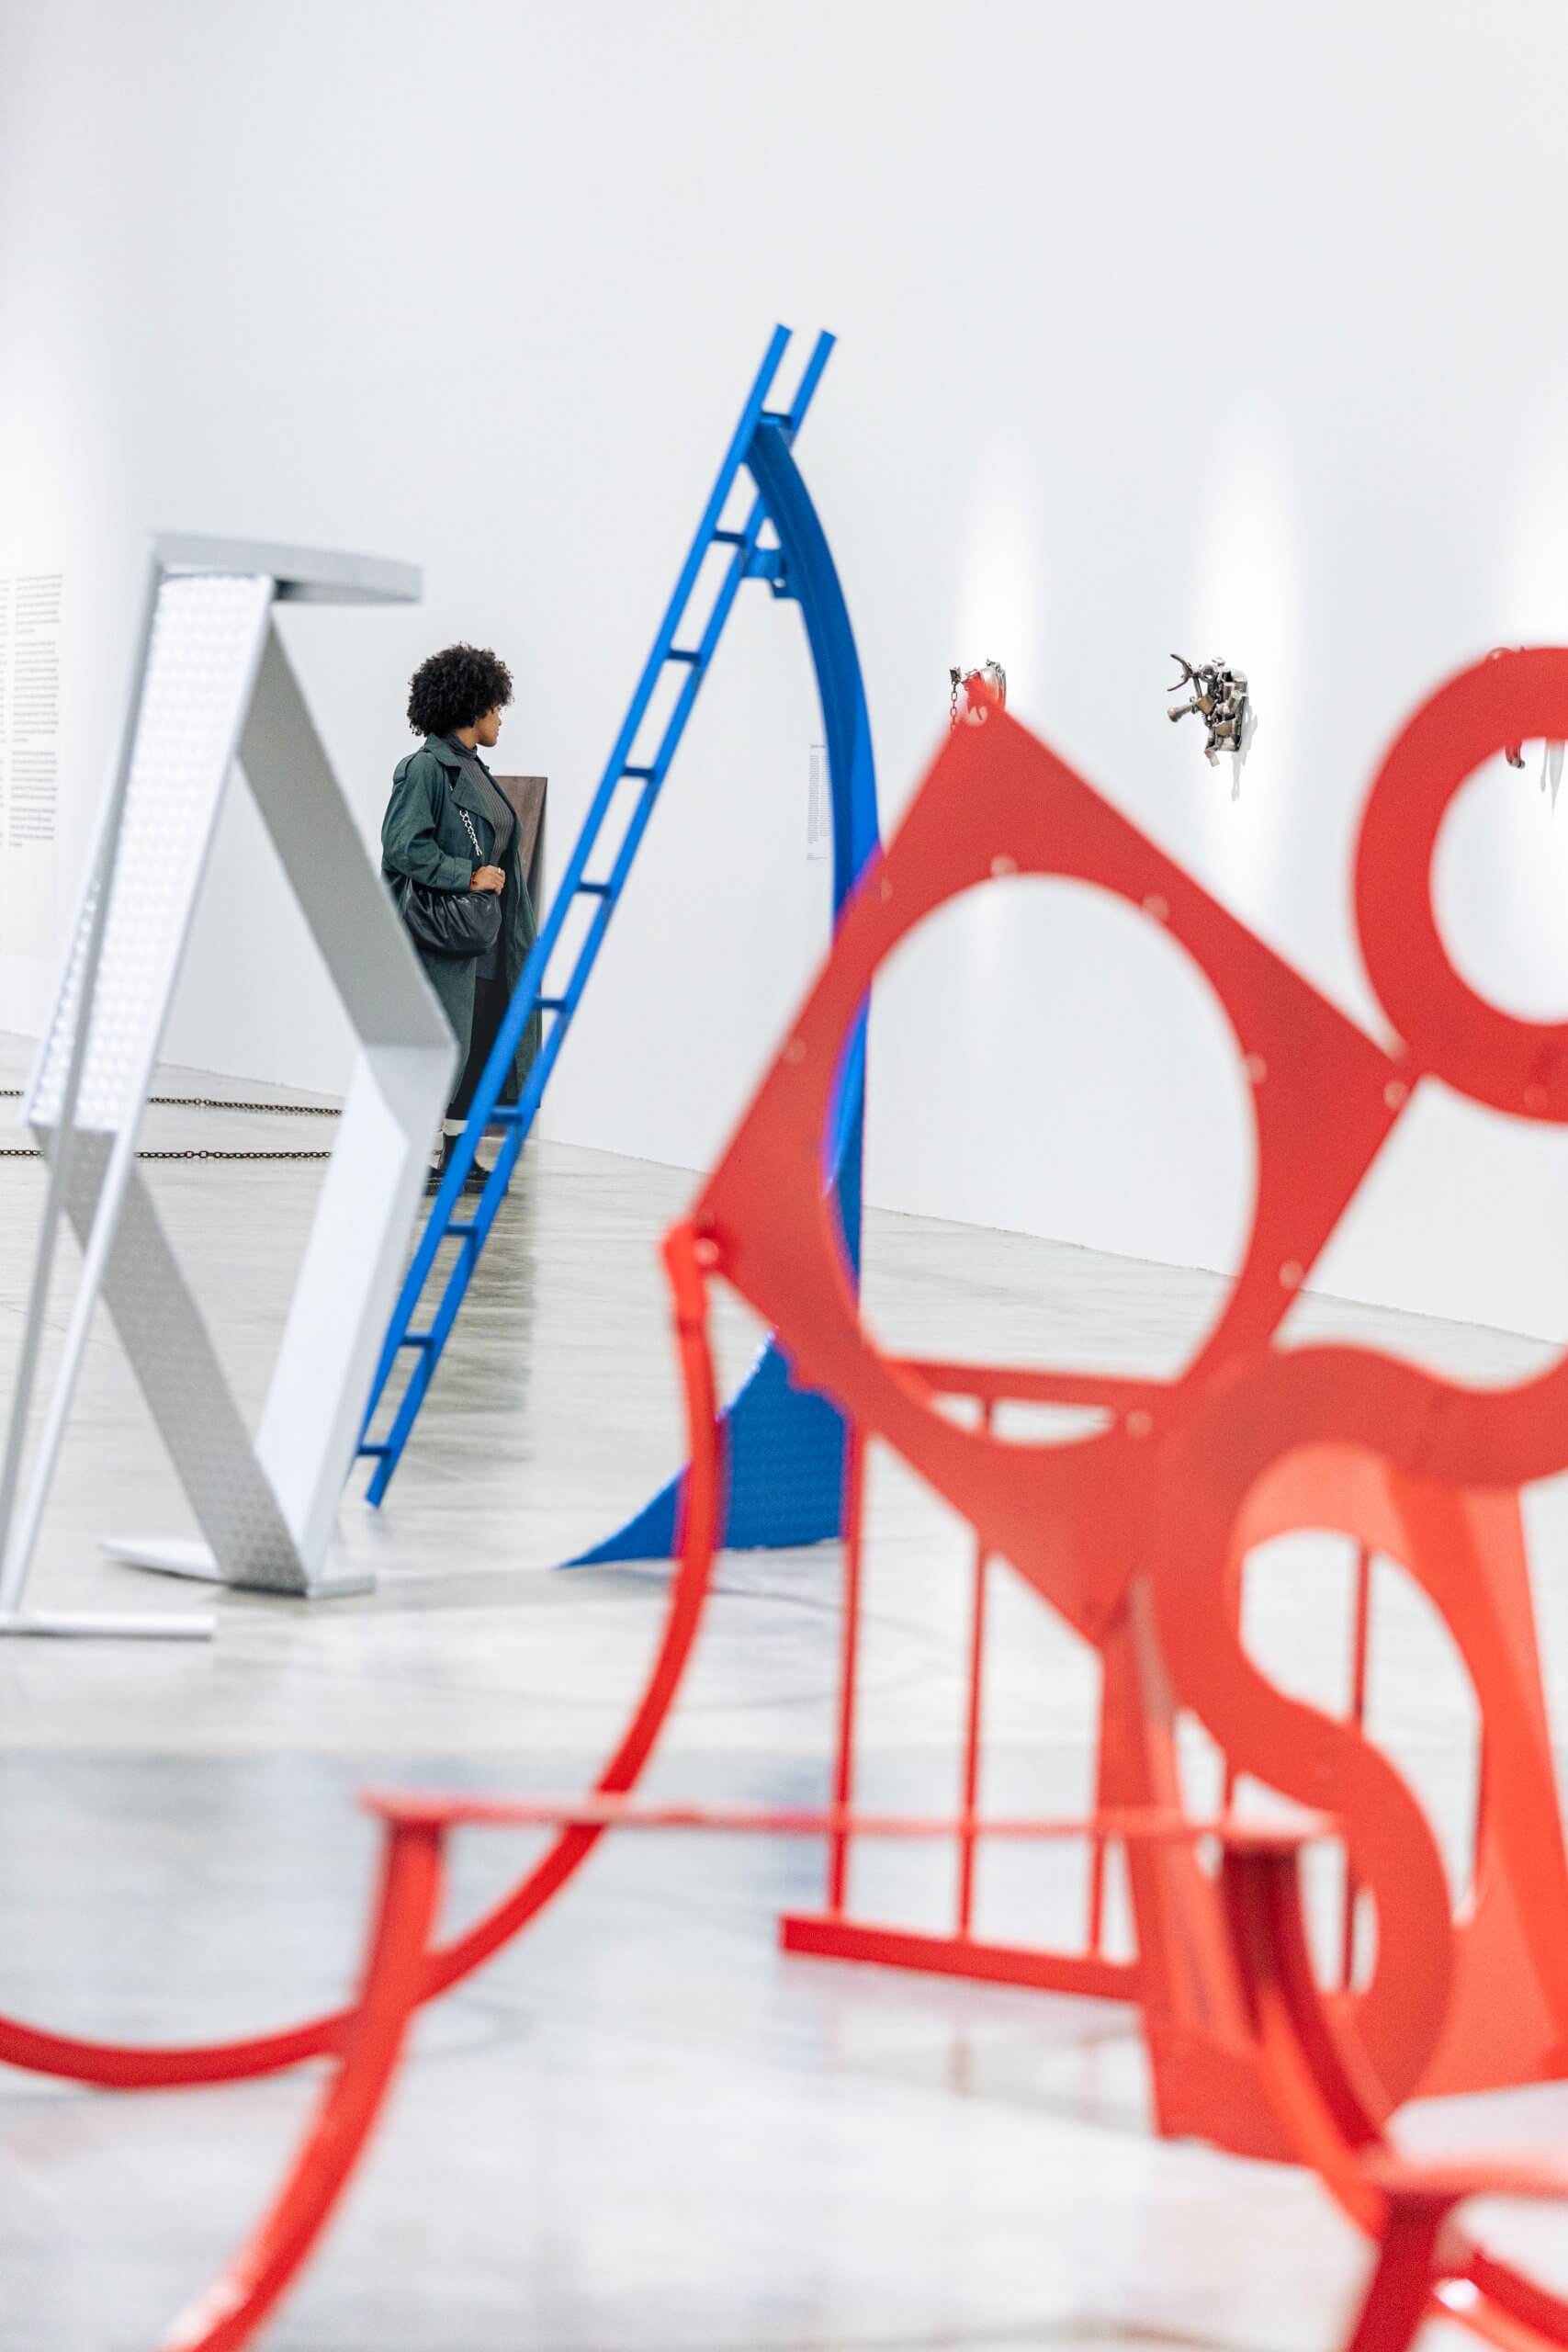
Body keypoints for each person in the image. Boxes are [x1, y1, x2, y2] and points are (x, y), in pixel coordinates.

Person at [381, 644, 540, 1192]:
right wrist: (465, 875)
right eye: (496, 707)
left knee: (475, 1047)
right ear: (472, 707)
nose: (500, 718)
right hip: (441, 934)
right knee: (444, 1043)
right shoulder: (427, 769)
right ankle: (414, 1154)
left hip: (483, 934)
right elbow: (403, 847)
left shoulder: (473, 769)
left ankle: (457, 1154)